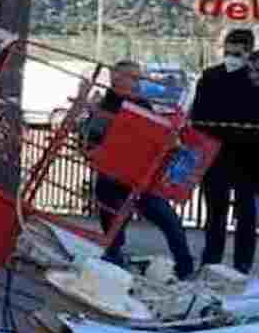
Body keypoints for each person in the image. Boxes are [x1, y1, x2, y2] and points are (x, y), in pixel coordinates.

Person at [90, 60, 197, 279]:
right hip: (114, 177)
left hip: (141, 178)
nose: (139, 83)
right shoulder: (105, 106)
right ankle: (114, 258)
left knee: (170, 221)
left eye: (140, 78)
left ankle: (185, 267)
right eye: (135, 78)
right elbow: (92, 140)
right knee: (113, 221)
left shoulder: (142, 104)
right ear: (116, 77)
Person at [190, 28, 258, 276]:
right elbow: (196, 115)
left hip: (249, 158)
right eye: (227, 51)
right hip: (215, 155)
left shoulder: (256, 79)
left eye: (237, 53)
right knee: (215, 213)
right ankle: (211, 261)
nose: (230, 57)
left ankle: (242, 265)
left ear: (249, 52)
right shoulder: (210, 76)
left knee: (246, 216)